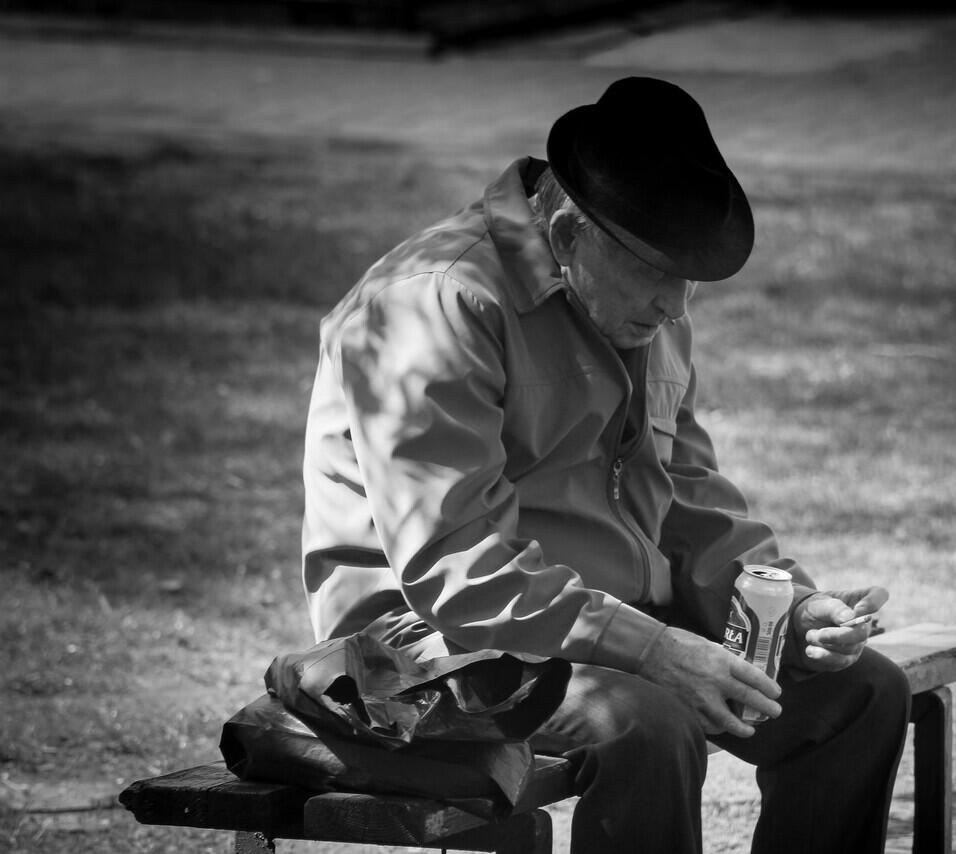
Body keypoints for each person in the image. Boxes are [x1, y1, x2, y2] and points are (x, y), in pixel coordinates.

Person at [300, 76, 910, 854]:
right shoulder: (433, 303)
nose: (678, 304)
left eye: (689, 276)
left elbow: (688, 496)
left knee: (860, 695)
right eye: (660, 271)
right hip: (425, 650)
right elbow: (455, 565)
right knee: (645, 725)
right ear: (565, 232)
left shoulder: (633, 303)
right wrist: (653, 649)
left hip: (600, 623)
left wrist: (786, 609)